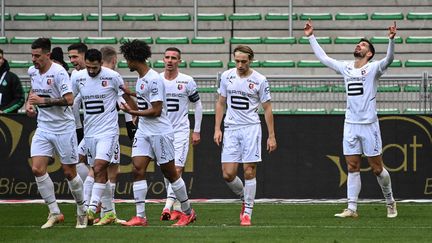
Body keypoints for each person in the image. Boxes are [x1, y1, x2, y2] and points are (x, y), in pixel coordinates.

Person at [304, 19, 398, 218]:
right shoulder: (345, 67)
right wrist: (311, 36)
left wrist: (391, 40)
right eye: (359, 43)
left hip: (369, 125)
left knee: (377, 169)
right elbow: (324, 58)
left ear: (370, 53)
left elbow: (389, 59)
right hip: (350, 125)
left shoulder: (373, 69)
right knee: (352, 166)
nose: (359, 45)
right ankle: (352, 208)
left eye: (363, 44)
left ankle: (390, 201)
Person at [119, 39, 196, 227]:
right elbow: (144, 103)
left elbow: (156, 111)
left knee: (171, 174)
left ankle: (188, 212)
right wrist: (130, 97)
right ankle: (140, 216)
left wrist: (132, 113)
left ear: (133, 58)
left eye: (127, 59)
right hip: (144, 131)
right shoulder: (142, 78)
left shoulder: (154, 78)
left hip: (160, 132)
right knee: (137, 169)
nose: (126, 63)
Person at [25, 38, 87, 229]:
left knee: (69, 173)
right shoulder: (32, 71)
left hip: (63, 128)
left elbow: (69, 100)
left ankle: (82, 210)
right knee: (37, 168)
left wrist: (42, 102)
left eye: (37, 56)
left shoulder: (59, 73)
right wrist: (29, 103)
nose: (34, 59)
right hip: (43, 127)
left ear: (47, 55)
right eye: (32, 55)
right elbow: (34, 91)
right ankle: (54, 211)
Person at [71, 48, 136, 225]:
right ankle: (109, 212)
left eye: (95, 67)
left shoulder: (113, 77)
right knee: (96, 170)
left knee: (100, 167)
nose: (91, 71)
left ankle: (90, 208)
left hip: (108, 131)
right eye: (89, 67)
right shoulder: (78, 77)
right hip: (90, 132)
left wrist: (130, 123)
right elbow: (72, 100)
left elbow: (123, 99)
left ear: (100, 63)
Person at [214, 45, 277, 226]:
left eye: (244, 61)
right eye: (237, 61)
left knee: (249, 170)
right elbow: (220, 103)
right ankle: (244, 196)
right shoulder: (227, 76)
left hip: (251, 128)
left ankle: (247, 211)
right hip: (231, 128)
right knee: (228, 174)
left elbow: (267, 108)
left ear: (250, 60)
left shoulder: (260, 80)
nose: (240, 64)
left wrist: (271, 135)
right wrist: (217, 128)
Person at [159, 47, 202, 221]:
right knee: (167, 171)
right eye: (167, 57)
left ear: (179, 61)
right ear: (163, 60)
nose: (170, 60)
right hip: (161, 131)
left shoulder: (187, 81)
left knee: (176, 168)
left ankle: (167, 207)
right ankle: (176, 207)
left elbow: (198, 105)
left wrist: (197, 130)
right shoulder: (157, 80)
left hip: (180, 131)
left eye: (174, 58)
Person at [68, 43, 89, 182]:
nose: (71, 60)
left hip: (100, 126)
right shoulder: (75, 75)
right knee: (78, 161)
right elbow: (71, 99)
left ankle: (102, 200)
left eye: (75, 57)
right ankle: (95, 199)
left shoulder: (99, 72)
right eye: (70, 57)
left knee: (100, 166)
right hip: (78, 125)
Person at [0, 49, 25, 113]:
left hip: (7, 118)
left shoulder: (12, 77)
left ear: (3, 60)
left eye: (0, 58)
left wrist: (4, 111)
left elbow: (20, 99)